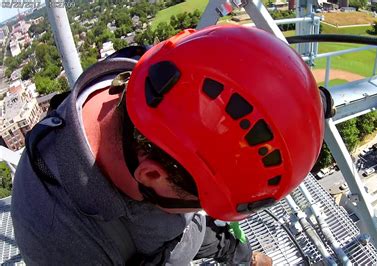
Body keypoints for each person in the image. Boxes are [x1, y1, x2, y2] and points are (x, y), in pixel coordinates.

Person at [11, 25, 330, 265]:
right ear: (152, 177)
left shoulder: (148, 71)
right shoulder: (66, 245)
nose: (201, 211)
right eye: (201, 202)